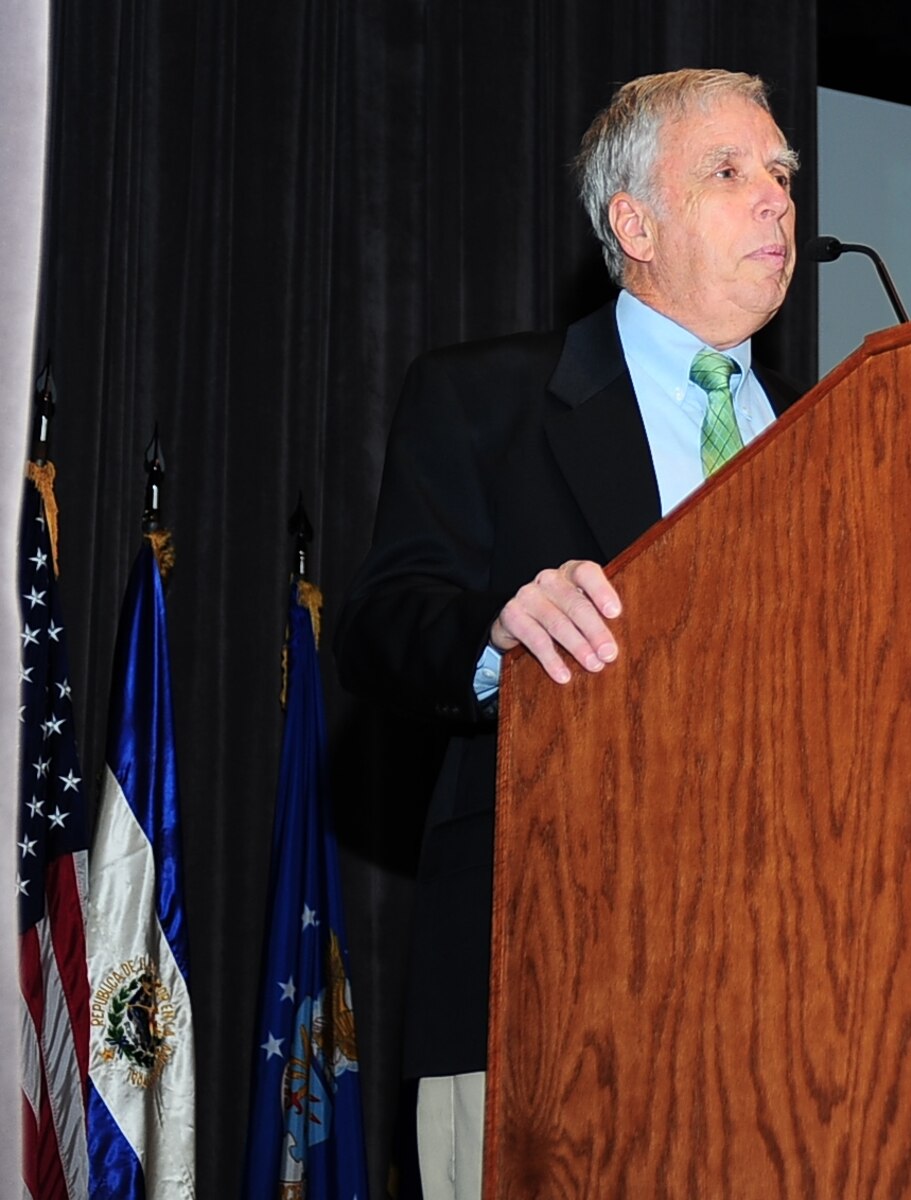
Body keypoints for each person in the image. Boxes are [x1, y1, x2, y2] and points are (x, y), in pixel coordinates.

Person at [334, 68, 804, 1197]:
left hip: (800, 1005)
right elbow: (385, 626)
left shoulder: (834, 438)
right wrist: (499, 637)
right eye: (731, 172)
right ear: (633, 223)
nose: (777, 200)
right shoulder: (487, 399)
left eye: (782, 174)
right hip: (546, 993)